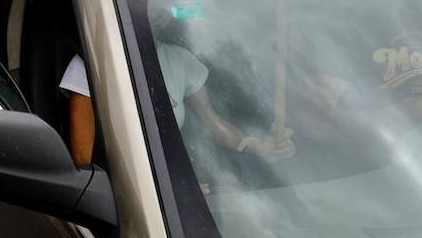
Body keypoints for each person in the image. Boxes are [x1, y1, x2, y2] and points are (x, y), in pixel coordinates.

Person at [60, 45, 294, 168]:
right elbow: (83, 162)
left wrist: (260, 147)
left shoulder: (179, 59)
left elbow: (213, 124)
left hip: (173, 183)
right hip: (127, 195)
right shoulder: (90, 61)